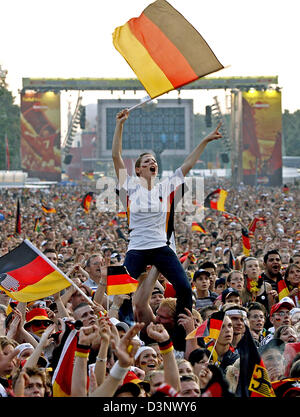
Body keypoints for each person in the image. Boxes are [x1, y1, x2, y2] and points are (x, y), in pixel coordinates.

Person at [112, 108, 222, 324]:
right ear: (137, 170)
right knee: (121, 291)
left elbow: (188, 164)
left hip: (161, 248)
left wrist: (205, 141)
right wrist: (120, 124)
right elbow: (116, 156)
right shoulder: (130, 187)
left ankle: (181, 333)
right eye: (146, 162)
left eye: (154, 161)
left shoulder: (166, 186)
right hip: (137, 248)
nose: (152, 163)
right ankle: (123, 329)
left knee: (183, 287)